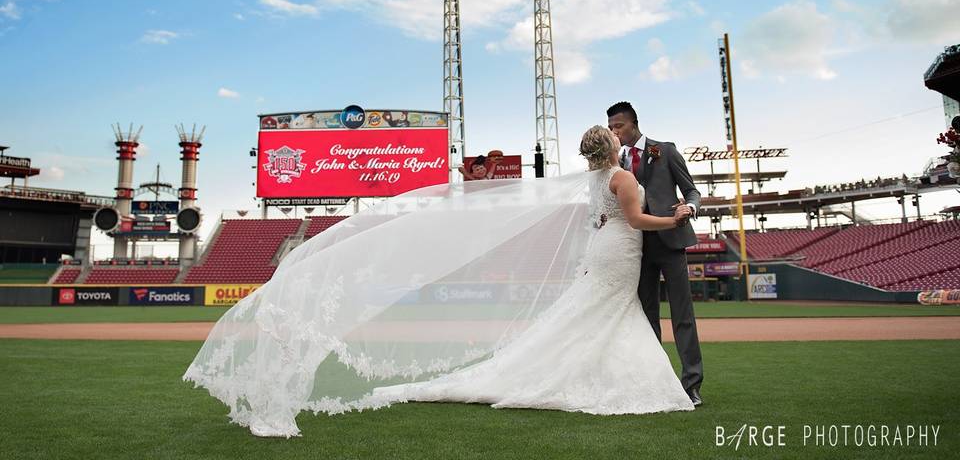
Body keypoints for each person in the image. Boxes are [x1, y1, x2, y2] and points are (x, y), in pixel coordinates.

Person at [183, 126, 693, 438]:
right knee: (606, 313)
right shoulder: (621, 179)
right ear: (611, 148)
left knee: (597, 315)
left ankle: (583, 370)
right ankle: (591, 376)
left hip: (610, 253)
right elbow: (634, 220)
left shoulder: (595, 179)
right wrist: (673, 220)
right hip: (618, 253)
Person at [607, 101, 704, 407]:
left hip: (672, 242)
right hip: (636, 248)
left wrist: (691, 207)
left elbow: (692, 191)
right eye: (610, 128)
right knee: (647, 318)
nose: (614, 132)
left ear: (633, 124)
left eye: (618, 126)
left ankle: (691, 384)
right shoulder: (615, 163)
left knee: (682, 316)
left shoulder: (666, 150)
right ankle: (656, 381)